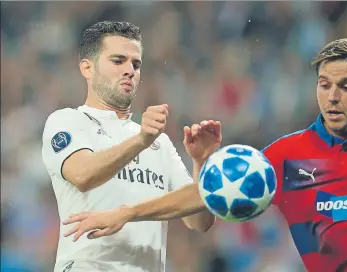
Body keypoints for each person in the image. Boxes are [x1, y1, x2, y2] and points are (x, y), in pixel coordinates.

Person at [63, 38, 347, 272]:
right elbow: (208, 195)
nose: (331, 97)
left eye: (346, 87)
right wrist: (128, 213)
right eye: (324, 85)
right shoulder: (288, 154)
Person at [42, 21, 220, 272]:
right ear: (87, 67)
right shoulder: (68, 121)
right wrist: (141, 141)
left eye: (136, 64)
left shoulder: (159, 142)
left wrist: (201, 163)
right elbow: (82, 175)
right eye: (118, 61)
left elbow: (199, 221)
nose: (129, 70)